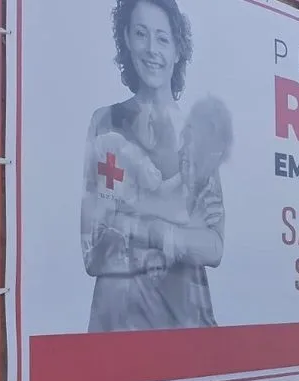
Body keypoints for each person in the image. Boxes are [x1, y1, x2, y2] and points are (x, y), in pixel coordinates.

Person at [82, 0, 228, 332]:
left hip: (184, 327)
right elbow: (93, 248)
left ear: (178, 49)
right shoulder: (107, 124)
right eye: (141, 34)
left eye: (162, 38)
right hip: (117, 326)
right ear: (127, 40)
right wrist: (179, 234)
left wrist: (140, 226)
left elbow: (214, 247)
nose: (151, 49)